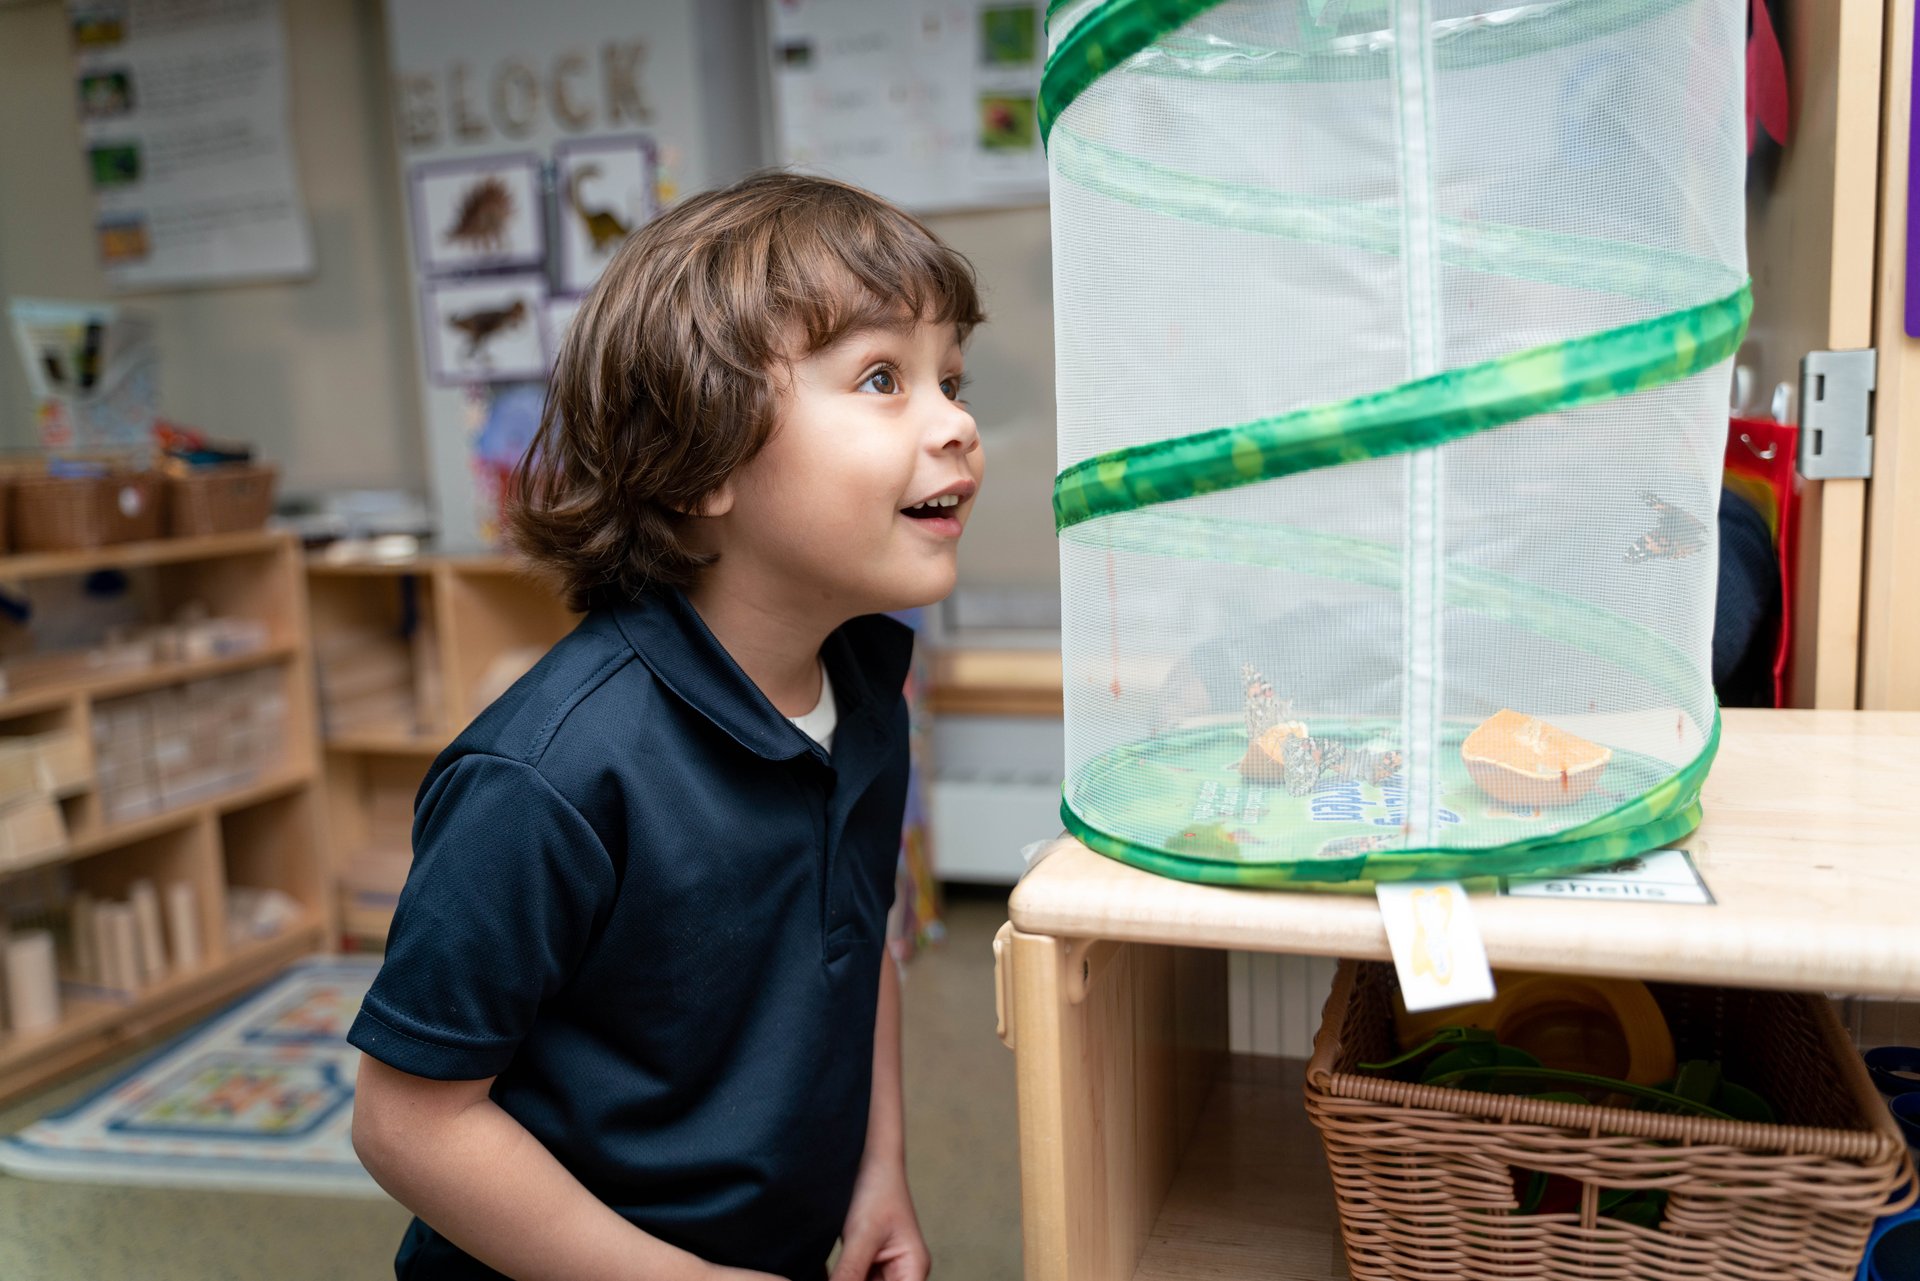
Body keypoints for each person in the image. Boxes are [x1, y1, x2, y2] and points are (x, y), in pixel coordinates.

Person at [347, 171, 986, 1281]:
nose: (958, 423)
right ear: (702, 463)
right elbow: (407, 1123)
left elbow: (856, 944)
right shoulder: (546, 776)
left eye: (952, 378)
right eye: (883, 378)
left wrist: (877, 1173)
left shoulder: (867, 691)